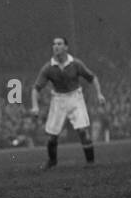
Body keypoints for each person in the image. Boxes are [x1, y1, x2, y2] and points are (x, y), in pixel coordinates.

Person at [29, 36, 106, 169]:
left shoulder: (76, 63)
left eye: (59, 44)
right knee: (52, 136)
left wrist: (99, 94)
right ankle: (52, 161)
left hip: (75, 97)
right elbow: (36, 88)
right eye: (54, 44)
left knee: (82, 131)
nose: (56, 46)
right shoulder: (48, 67)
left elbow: (92, 78)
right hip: (58, 100)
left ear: (66, 47)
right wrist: (35, 106)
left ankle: (91, 162)